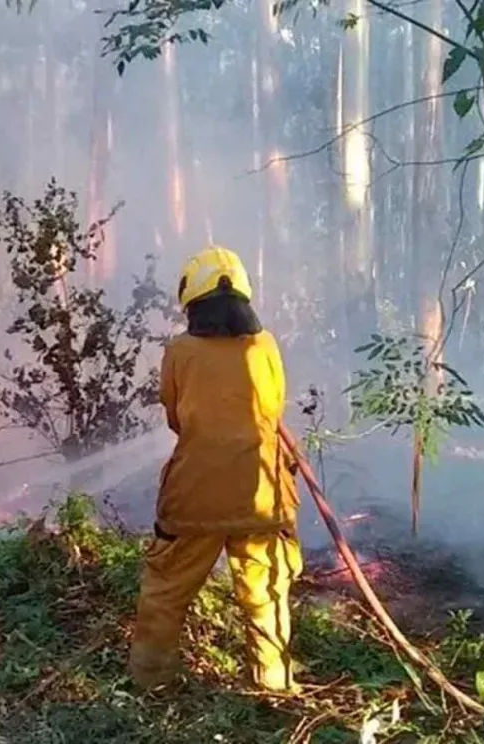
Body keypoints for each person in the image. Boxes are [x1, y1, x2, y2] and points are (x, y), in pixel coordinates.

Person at [128, 244, 302, 694]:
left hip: (194, 497)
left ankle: (151, 685)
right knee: (266, 595)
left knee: (165, 593)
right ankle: (274, 686)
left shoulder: (180, 351)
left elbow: (175, 416)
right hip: (262, 492)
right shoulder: (265, 346)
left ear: (192, 300)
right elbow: (274, 407)